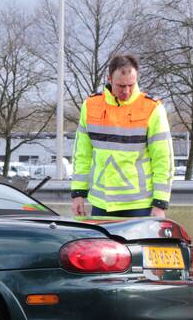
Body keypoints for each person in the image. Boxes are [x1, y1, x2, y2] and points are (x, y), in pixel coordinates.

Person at [70, 54, 175, 218]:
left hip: (140, 203)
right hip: (101, 202)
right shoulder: (90, 106)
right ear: (109, 79)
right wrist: (78, 194)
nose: (126, 91)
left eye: (131, 85)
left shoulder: (152, 108)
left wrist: (160, 203)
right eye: (121, 86)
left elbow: (163, 160)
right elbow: (82, 154)